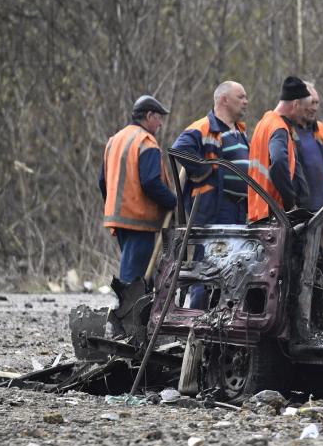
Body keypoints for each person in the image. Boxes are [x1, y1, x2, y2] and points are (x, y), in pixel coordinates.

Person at [172, 81, 251, 309]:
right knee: (205, 270)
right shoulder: (204, 127)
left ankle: (219, 322)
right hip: (212, 210)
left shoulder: (240, 132)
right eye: (241, 96)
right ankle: (197, 323)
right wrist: (204, 170)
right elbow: (179, 149)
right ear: (224, 99)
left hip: (238, 210)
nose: (246, 101)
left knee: (230, 269)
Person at [100, 95, 177, 292]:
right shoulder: (146, 142)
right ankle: (127, 319)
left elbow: (102, 181)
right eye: (159, 117)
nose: (160, 123)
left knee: (137, 273)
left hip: (119, 217)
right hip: (139, 219)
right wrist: (174, 202)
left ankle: (138, 317)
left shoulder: (115, 140)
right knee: (133, 276)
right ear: (149, 115)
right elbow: (151, 183)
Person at [247, 76, 310, 221]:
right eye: (303, 110)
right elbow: (279, 162)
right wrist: (290, 202)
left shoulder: (264, 123)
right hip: (274, 214)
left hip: (260, 211)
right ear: (295, 104)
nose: (303, 116)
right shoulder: (278, 127)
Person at [294, 81, 323, 211]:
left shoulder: (321, 130)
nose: (315, 108)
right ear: (297, 103)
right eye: (311, 102)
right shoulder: (286, 131)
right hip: (298, 214)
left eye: (317, 103)